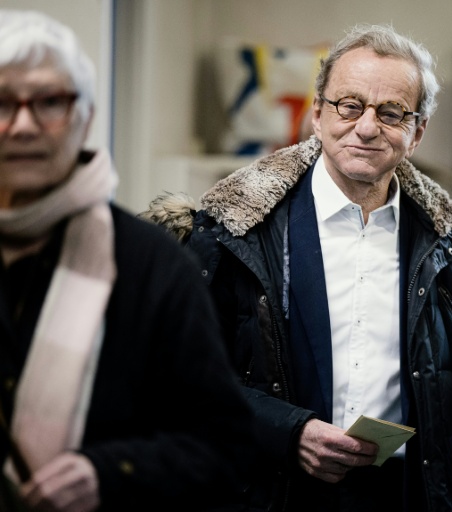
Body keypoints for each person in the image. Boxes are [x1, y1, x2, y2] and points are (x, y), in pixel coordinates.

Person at [144, 24, 452, 511]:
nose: (367, 127)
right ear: (317, 114)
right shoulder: (233, 232)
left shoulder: (447, 242)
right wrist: (291, 433)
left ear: (416, 133)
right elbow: (181, 381)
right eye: (348, 105)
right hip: (267, 494)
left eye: (391, 112)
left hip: (402, 498)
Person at [0, 10, 259, 512]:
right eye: (3, 102)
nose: (24, 125)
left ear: (85, 115)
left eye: (50, 101)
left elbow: (226, 451)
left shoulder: (153, 266)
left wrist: (111, 474)